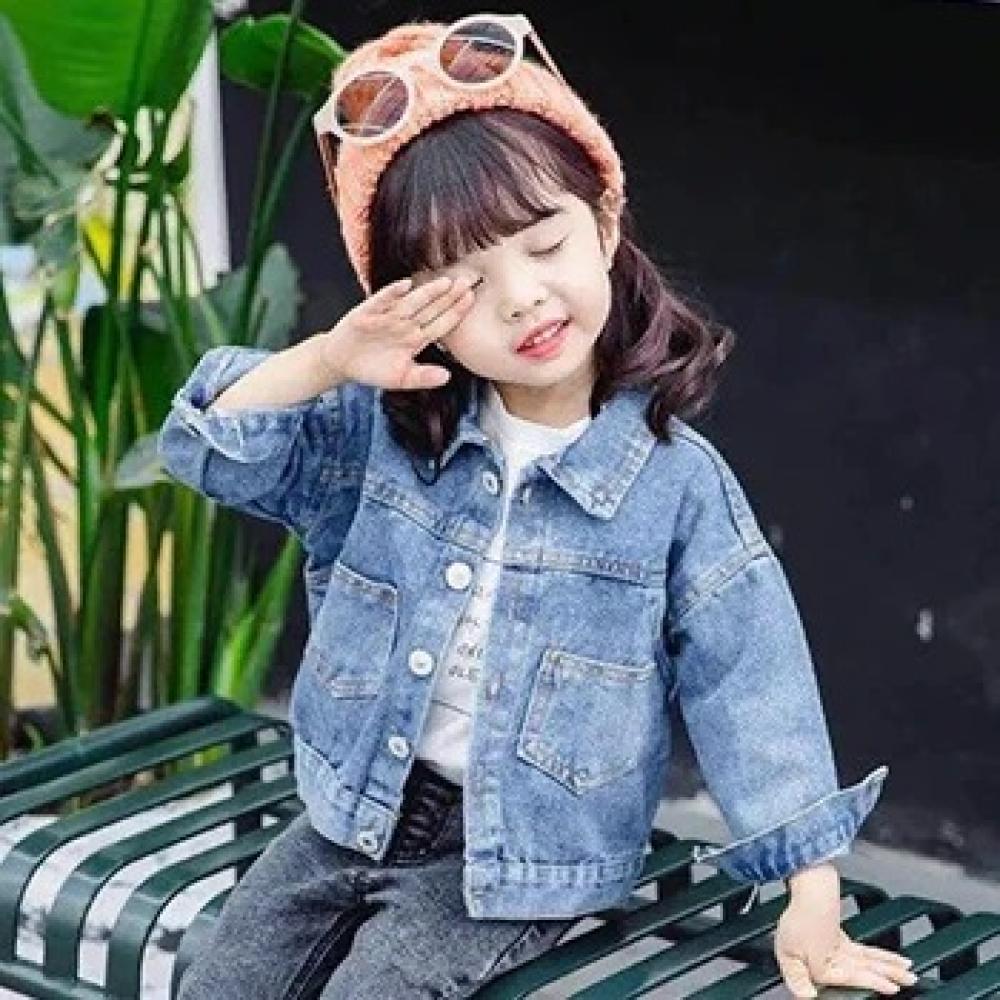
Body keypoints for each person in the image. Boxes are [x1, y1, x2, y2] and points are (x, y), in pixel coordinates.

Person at [158, 13, 918, 999]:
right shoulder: (380, 435)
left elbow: (749, 681)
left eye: (543, 244)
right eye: (462, 282)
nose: (520, 297)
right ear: (411, 308)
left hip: (525, 854)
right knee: (215, 981)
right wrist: (331, 358)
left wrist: (811, 891)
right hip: (350, 809)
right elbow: (208, 448)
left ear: (603, 225)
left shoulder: (675, 485)